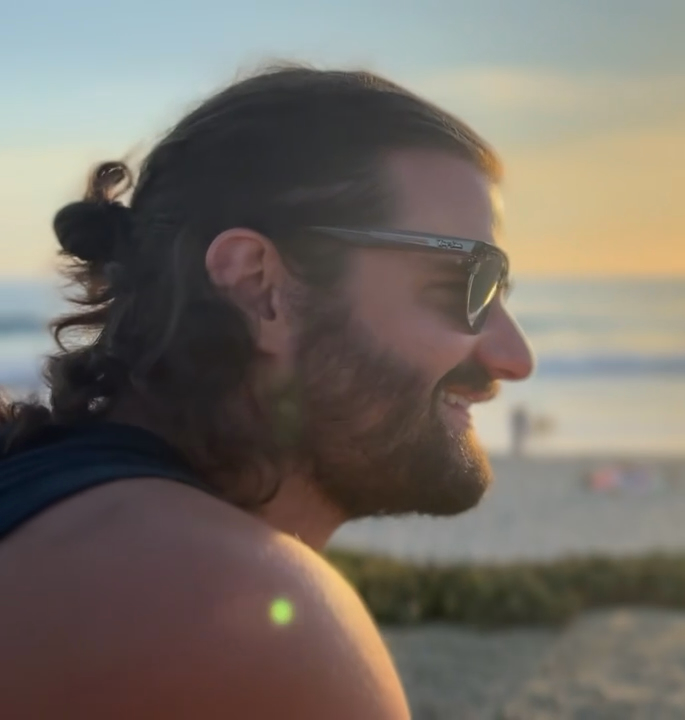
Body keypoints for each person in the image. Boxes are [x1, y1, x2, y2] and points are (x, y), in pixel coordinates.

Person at [0, 65, 534, 718]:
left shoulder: (45, 503)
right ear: (259, 286)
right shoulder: (218, 610)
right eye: (466, 286)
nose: (514, 359)